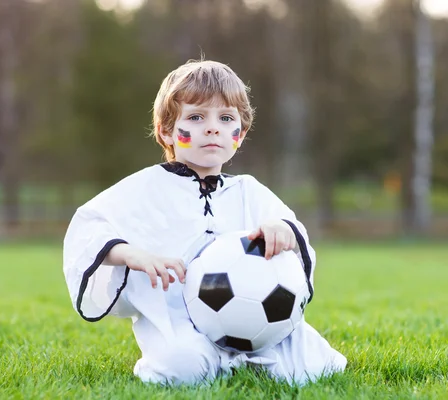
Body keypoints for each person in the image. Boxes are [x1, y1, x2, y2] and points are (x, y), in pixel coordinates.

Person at [62, 59, 347, 386]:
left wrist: (282, 230)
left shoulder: (248, 190)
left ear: (240, 134)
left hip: (252, 316)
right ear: (166, 131)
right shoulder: (145, 187)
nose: (213, 128)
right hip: (178, 318)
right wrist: (132, 255)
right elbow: (90, 229)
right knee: (182, 369)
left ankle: (241, 356)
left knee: (315, 367)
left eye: (226, 118)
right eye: (196, 117)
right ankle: (209, 361)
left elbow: (291, 229)